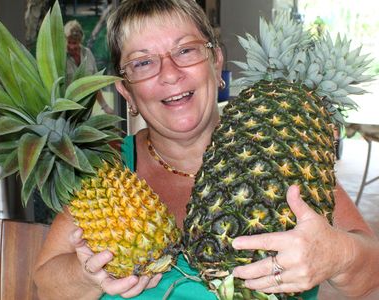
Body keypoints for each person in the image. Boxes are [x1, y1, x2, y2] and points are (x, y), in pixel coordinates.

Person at [33, 1, 379, 299]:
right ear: (127, 94)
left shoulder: (281, 150)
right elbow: (45, 283)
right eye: (143, 62)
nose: (169, 74)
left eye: (185, 50)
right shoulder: (107, 174)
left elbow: (369, 272)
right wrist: (86, 276)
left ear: (216, 64)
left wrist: (339, 255)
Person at [64, 19, 114, 115]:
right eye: (68, 42)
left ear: (80, 40)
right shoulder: (61, 58)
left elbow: (95, 85)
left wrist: (105, 107)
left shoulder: (87, 53)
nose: (71, 46)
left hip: (87, 112)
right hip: (67, 114)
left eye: (74, 43)